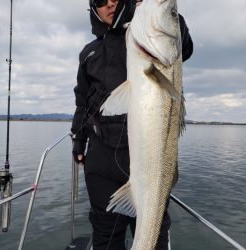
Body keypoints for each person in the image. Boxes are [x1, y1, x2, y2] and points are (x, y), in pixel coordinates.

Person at [71, 0, 193, 249]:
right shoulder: (88, 53)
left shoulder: (139, 35)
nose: (110, 3)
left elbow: (183, 47)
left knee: (153, 236)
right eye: (101, 1)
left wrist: (171, 17)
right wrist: (78, 139)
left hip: (150, 161)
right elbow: (82, 103)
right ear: (93, 9)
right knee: (105, 239)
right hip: (101, 161)